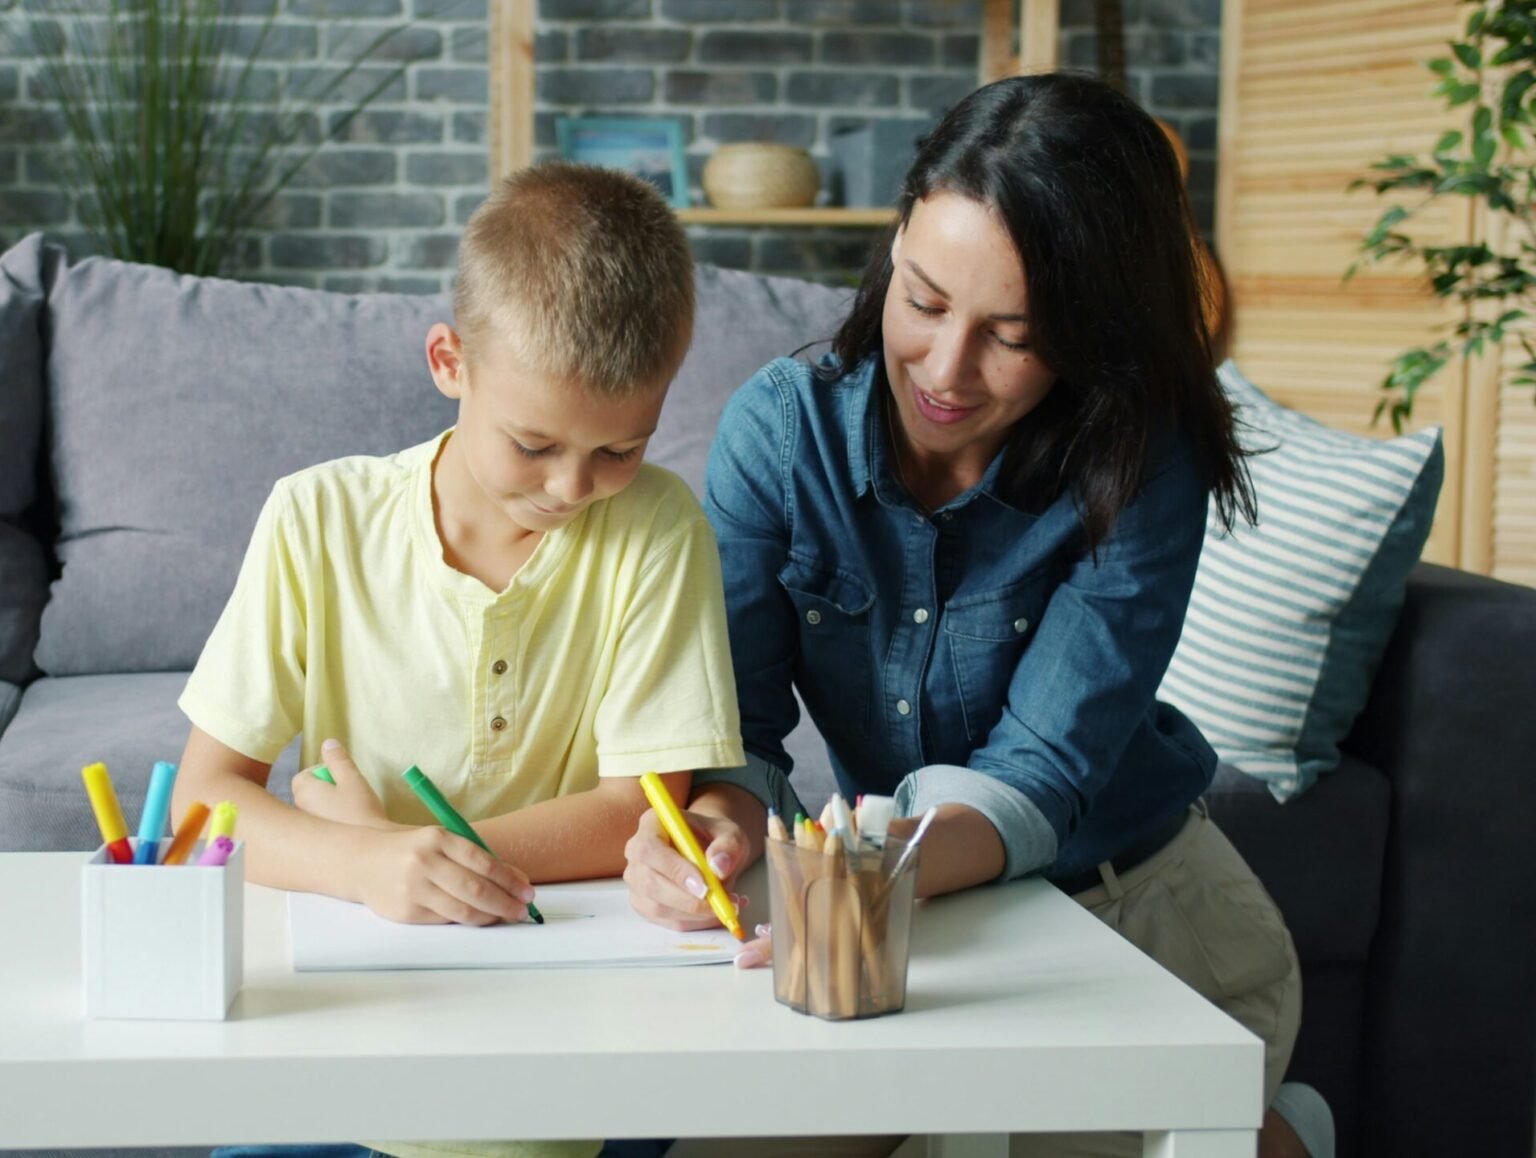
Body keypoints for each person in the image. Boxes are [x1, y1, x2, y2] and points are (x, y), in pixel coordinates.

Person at [623, 73, 1332, 1158]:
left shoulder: (1141, 456)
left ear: (1095, 332)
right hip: (900, 908)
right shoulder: (782, 429)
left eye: (1012, 333)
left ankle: (1276, 1137)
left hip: (1133, 915)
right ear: (896, 242)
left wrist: (853, 877)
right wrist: (722, 826)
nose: (946, 372)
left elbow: (1036, 774)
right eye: (924, 300)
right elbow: (737, 730)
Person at [174, 162, 743, 1158]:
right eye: (532, 444)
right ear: (450, 360)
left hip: (564, 1034)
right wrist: (366, 863)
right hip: (342, 1032)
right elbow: (201, 801)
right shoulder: (316, 518)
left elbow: (636, 812)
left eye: (621, 449)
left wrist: (417, 859)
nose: (574, 488)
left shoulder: (659, 532)